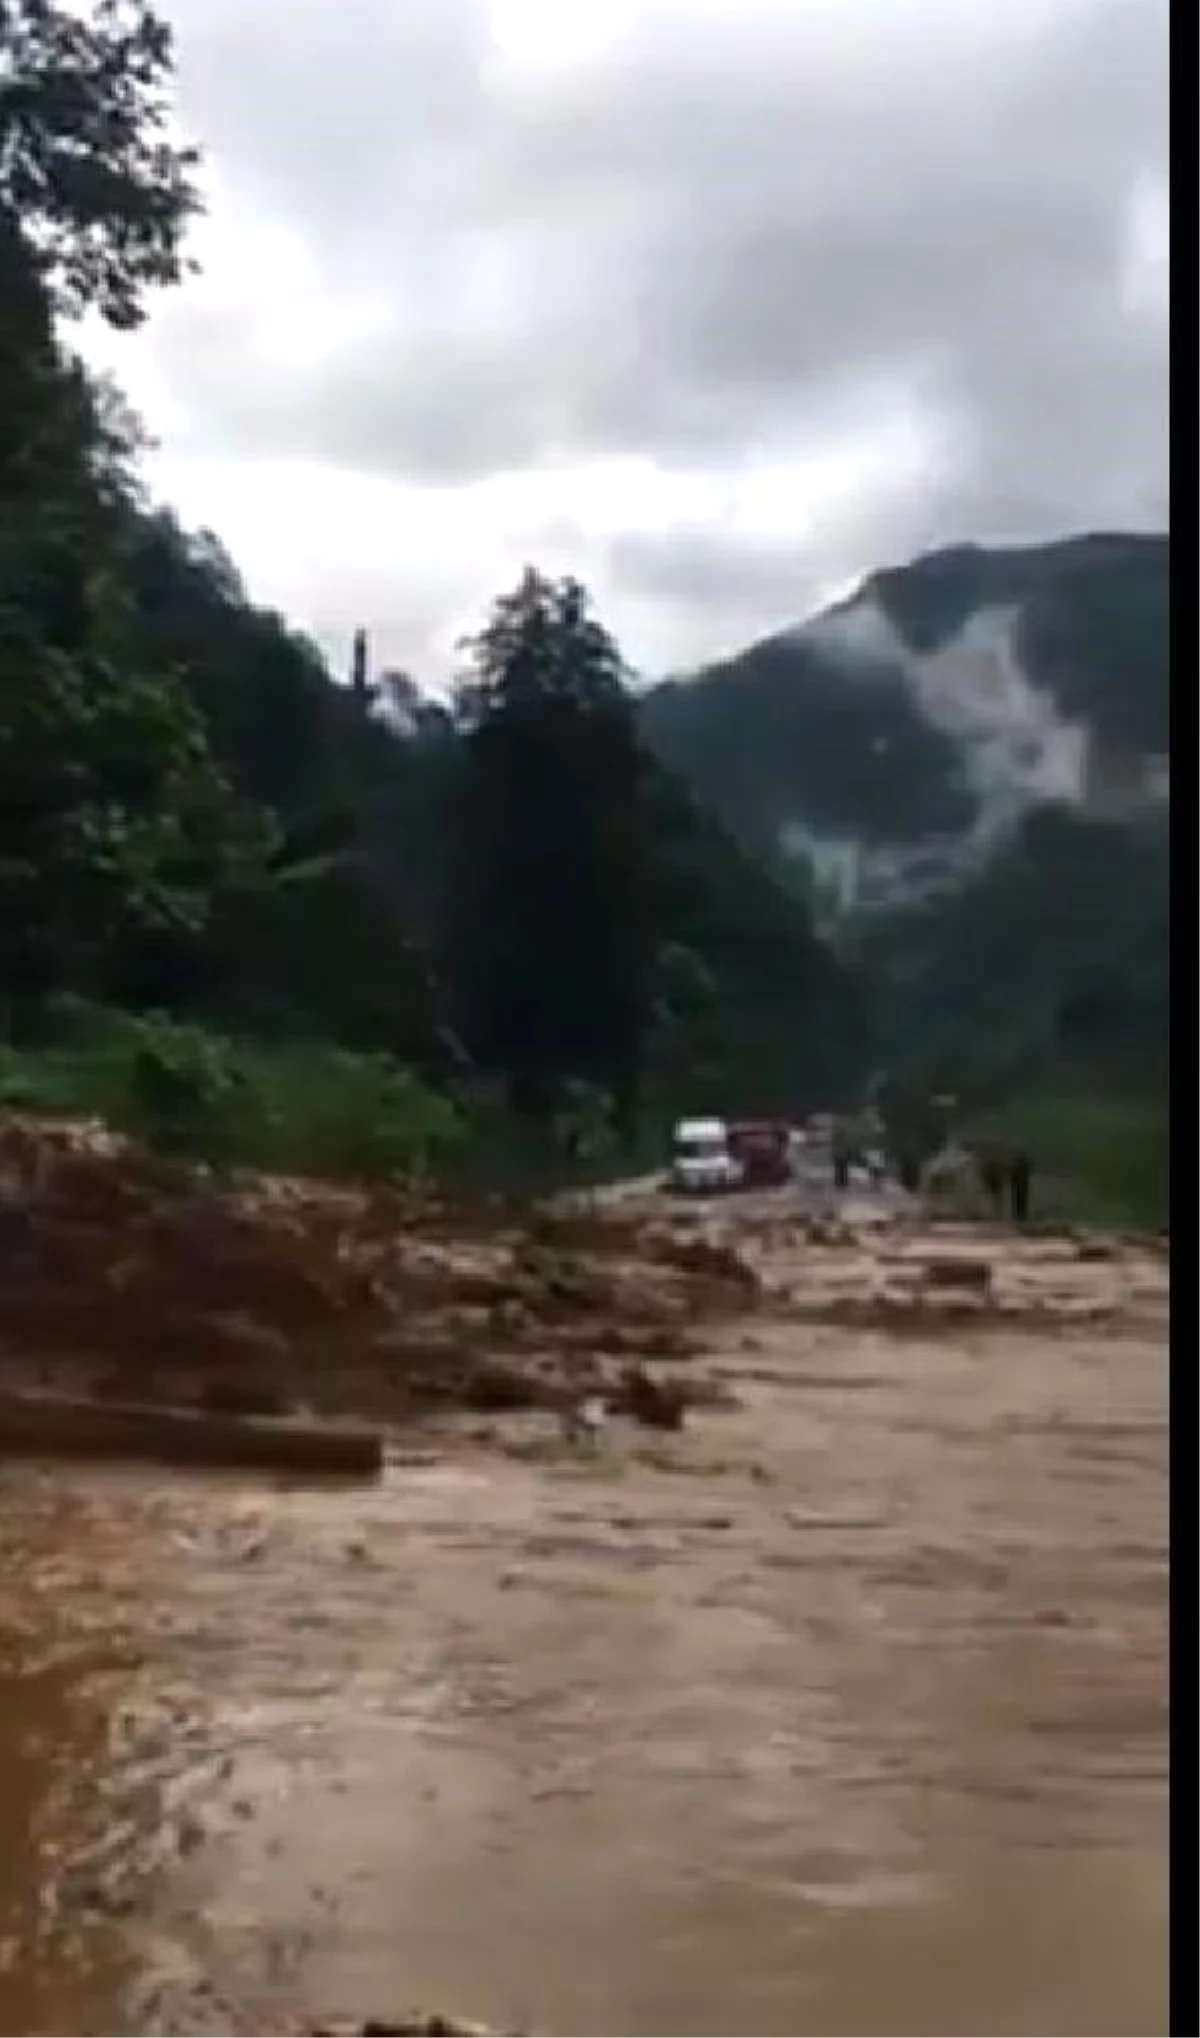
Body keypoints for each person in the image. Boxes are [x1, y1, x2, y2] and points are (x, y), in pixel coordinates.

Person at [1009, 1151, 1032, 1224]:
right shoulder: (1024, 1167)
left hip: (1019, 1186)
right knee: (1022, 1202)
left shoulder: (1017, 1167)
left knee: (1018, 1201)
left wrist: (1013, 1182)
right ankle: (1021, 1216)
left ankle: (1018, 1216)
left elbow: (1013, 1177)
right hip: (1022, 1186)